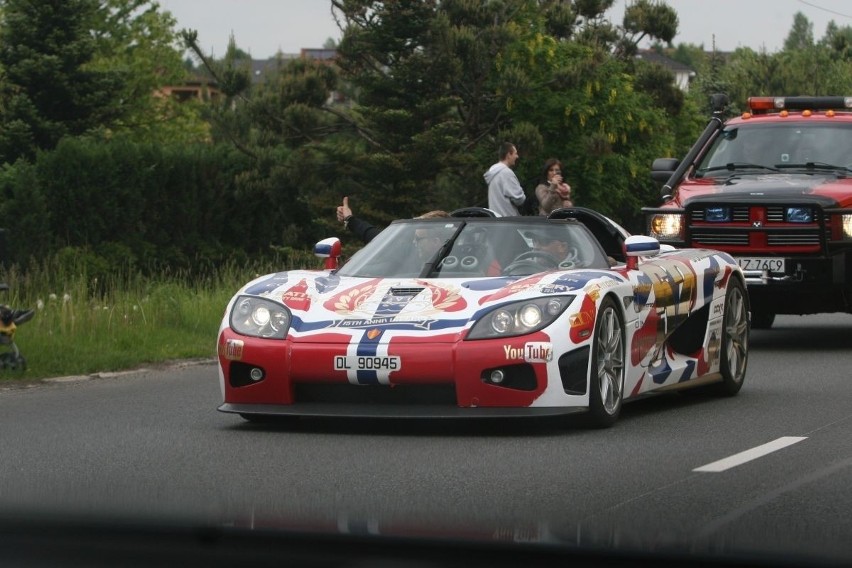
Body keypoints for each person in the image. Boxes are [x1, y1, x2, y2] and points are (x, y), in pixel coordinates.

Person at [336, 196, 449, 244]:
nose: (414, 243)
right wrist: (350, 219)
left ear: (436, 242)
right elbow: (378, 239)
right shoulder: (408, 252)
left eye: (418, 239)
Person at [484, 142, 533, 217]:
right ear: (508, 155)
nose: (517, 156)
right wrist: (522, 194)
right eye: (515, 153)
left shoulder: (492, 171)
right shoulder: (506, 173)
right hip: (508, 222)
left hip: (495, 220)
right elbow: (519, 199)